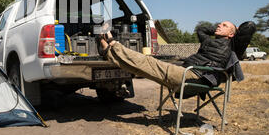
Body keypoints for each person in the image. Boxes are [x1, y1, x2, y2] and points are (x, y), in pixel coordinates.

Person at [98, 21, 237, 89]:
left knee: (149, 62)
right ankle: (108, 52)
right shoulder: (209, 41)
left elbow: (249, 27)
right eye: (219, 24)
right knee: (141, 69)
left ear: (231, 34)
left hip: (196, 76)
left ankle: (113, 43)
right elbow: (201, 29)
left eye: (224, 25)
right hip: (189, 71)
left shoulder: (231, 46)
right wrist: (217, 30)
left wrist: (231, 32)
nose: (219, 25)